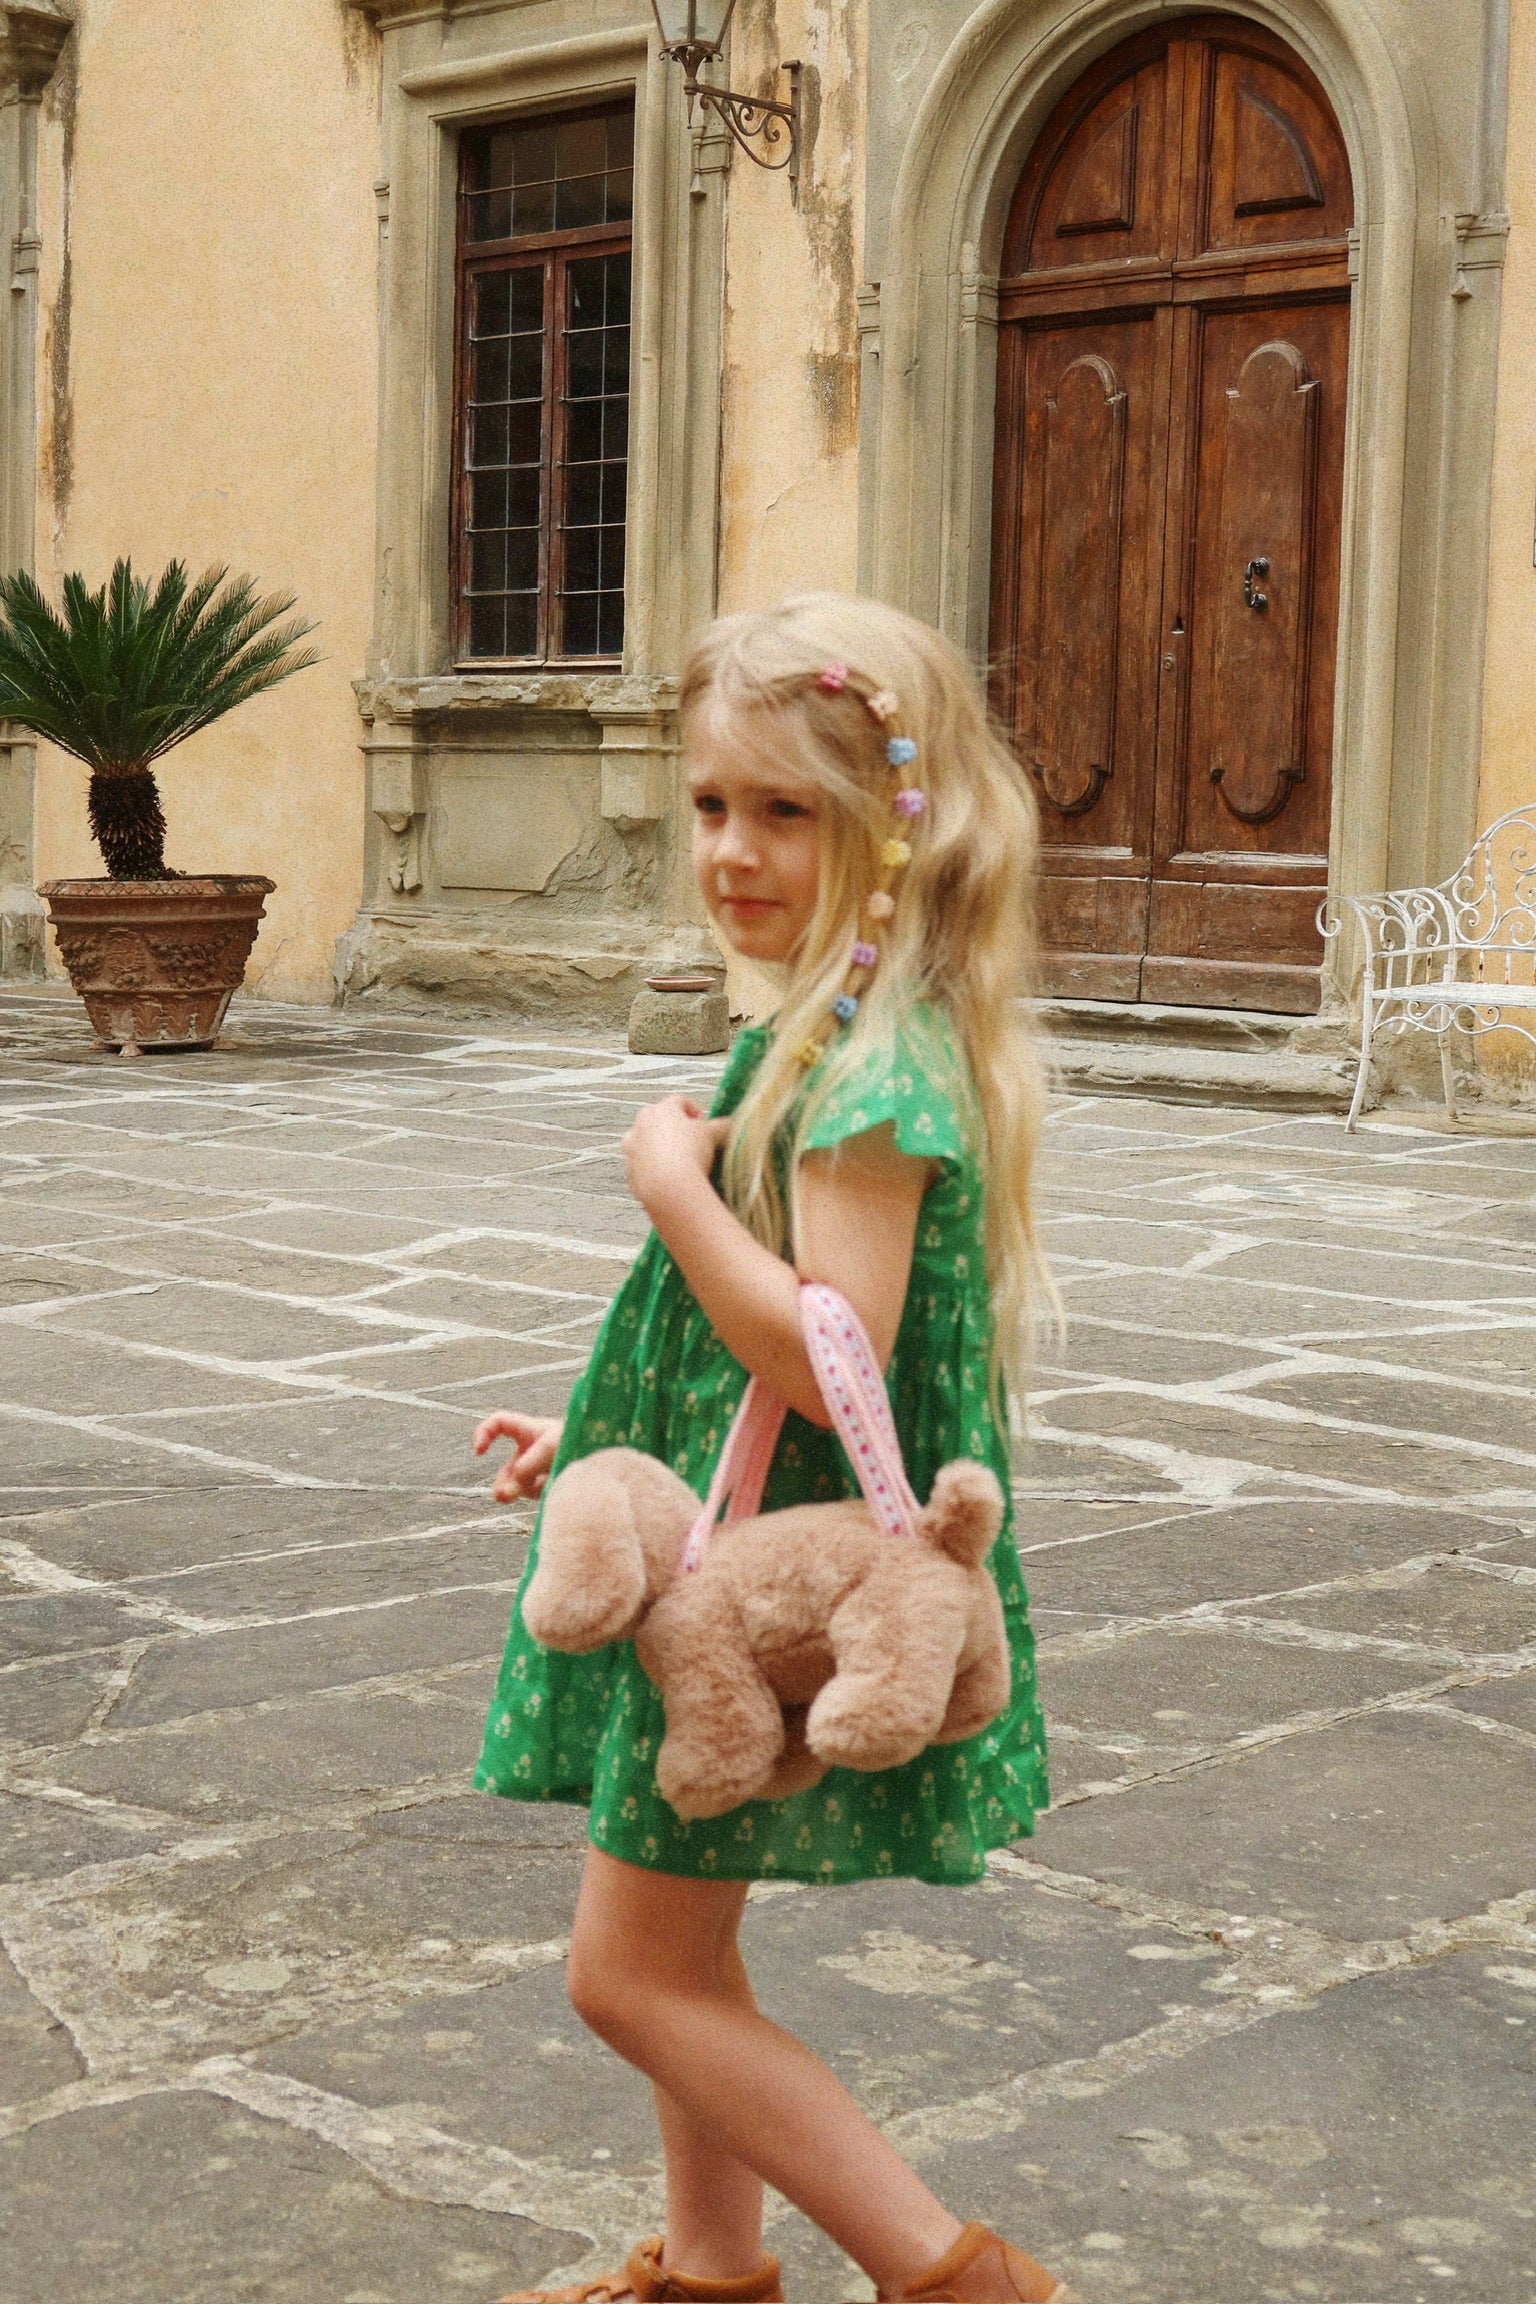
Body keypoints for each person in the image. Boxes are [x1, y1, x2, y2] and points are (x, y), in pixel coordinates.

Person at [472, 594, 1065, 2304]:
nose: (732, 850)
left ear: (896, 830)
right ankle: (714, 2270)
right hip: (732, 1534)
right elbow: (741, 1361)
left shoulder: (867, 1078)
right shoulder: (819, 1034)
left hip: (767, 1597)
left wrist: (666, 1183)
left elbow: (824, 1355)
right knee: (691, 1942)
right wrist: (600, 1433)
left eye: (787, 811)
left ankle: (955, 2278)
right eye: (714, 804)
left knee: (630, 1975)